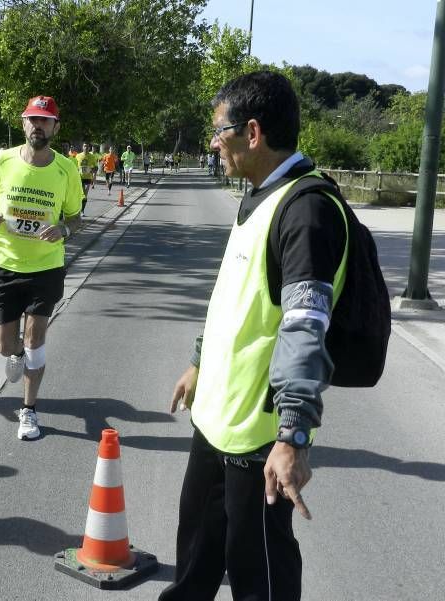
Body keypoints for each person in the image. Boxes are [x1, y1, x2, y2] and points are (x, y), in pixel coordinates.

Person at [159, 71, 349, 601]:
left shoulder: (306, 211)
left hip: (259, 438)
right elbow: (234, 303)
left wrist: (293, 436)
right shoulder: (259, 198)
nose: (213, 144)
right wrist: (200, 362)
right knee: (194, 559)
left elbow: (304, 329)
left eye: (218, 132)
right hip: (216, 423)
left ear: (253, 132)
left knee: (259, 577)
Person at [0, 95, 82, 441]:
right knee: (6, 346)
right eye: (33, 119)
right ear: (23, 123)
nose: (38, 125)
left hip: (45, 267)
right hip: (4, 263)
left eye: (45, 120)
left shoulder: (67, 169)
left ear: (55, 127)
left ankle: (29, 410)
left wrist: (64, 229)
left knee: (36, 338)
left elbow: (75, 218)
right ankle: (18, 353)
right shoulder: (3, 160)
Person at [75, 142, 96, 215]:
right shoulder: (78, 156)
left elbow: (95, 168)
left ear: (89, 148)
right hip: (79, 178)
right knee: (80, 195)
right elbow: (74, 166)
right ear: (82, 147)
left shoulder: (92, 156)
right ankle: (78, 209)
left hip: (88, 178)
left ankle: (82, 211)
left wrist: (91, 169)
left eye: (87, 146)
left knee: (85, 195)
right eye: (84, 146)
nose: (86, 148)